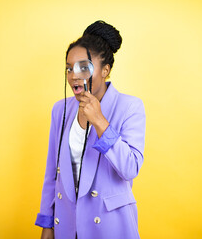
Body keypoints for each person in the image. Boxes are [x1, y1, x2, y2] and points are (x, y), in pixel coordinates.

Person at [35, 20, 146, 239]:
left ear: (106, 70)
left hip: (110, 227)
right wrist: (47, 224)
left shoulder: (130, 107)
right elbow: (52, 173)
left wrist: (100, 121)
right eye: (69, 68)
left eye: (83, 67)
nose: (74, 75)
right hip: (68, 226)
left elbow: (130, 167)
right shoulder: (61, 110)